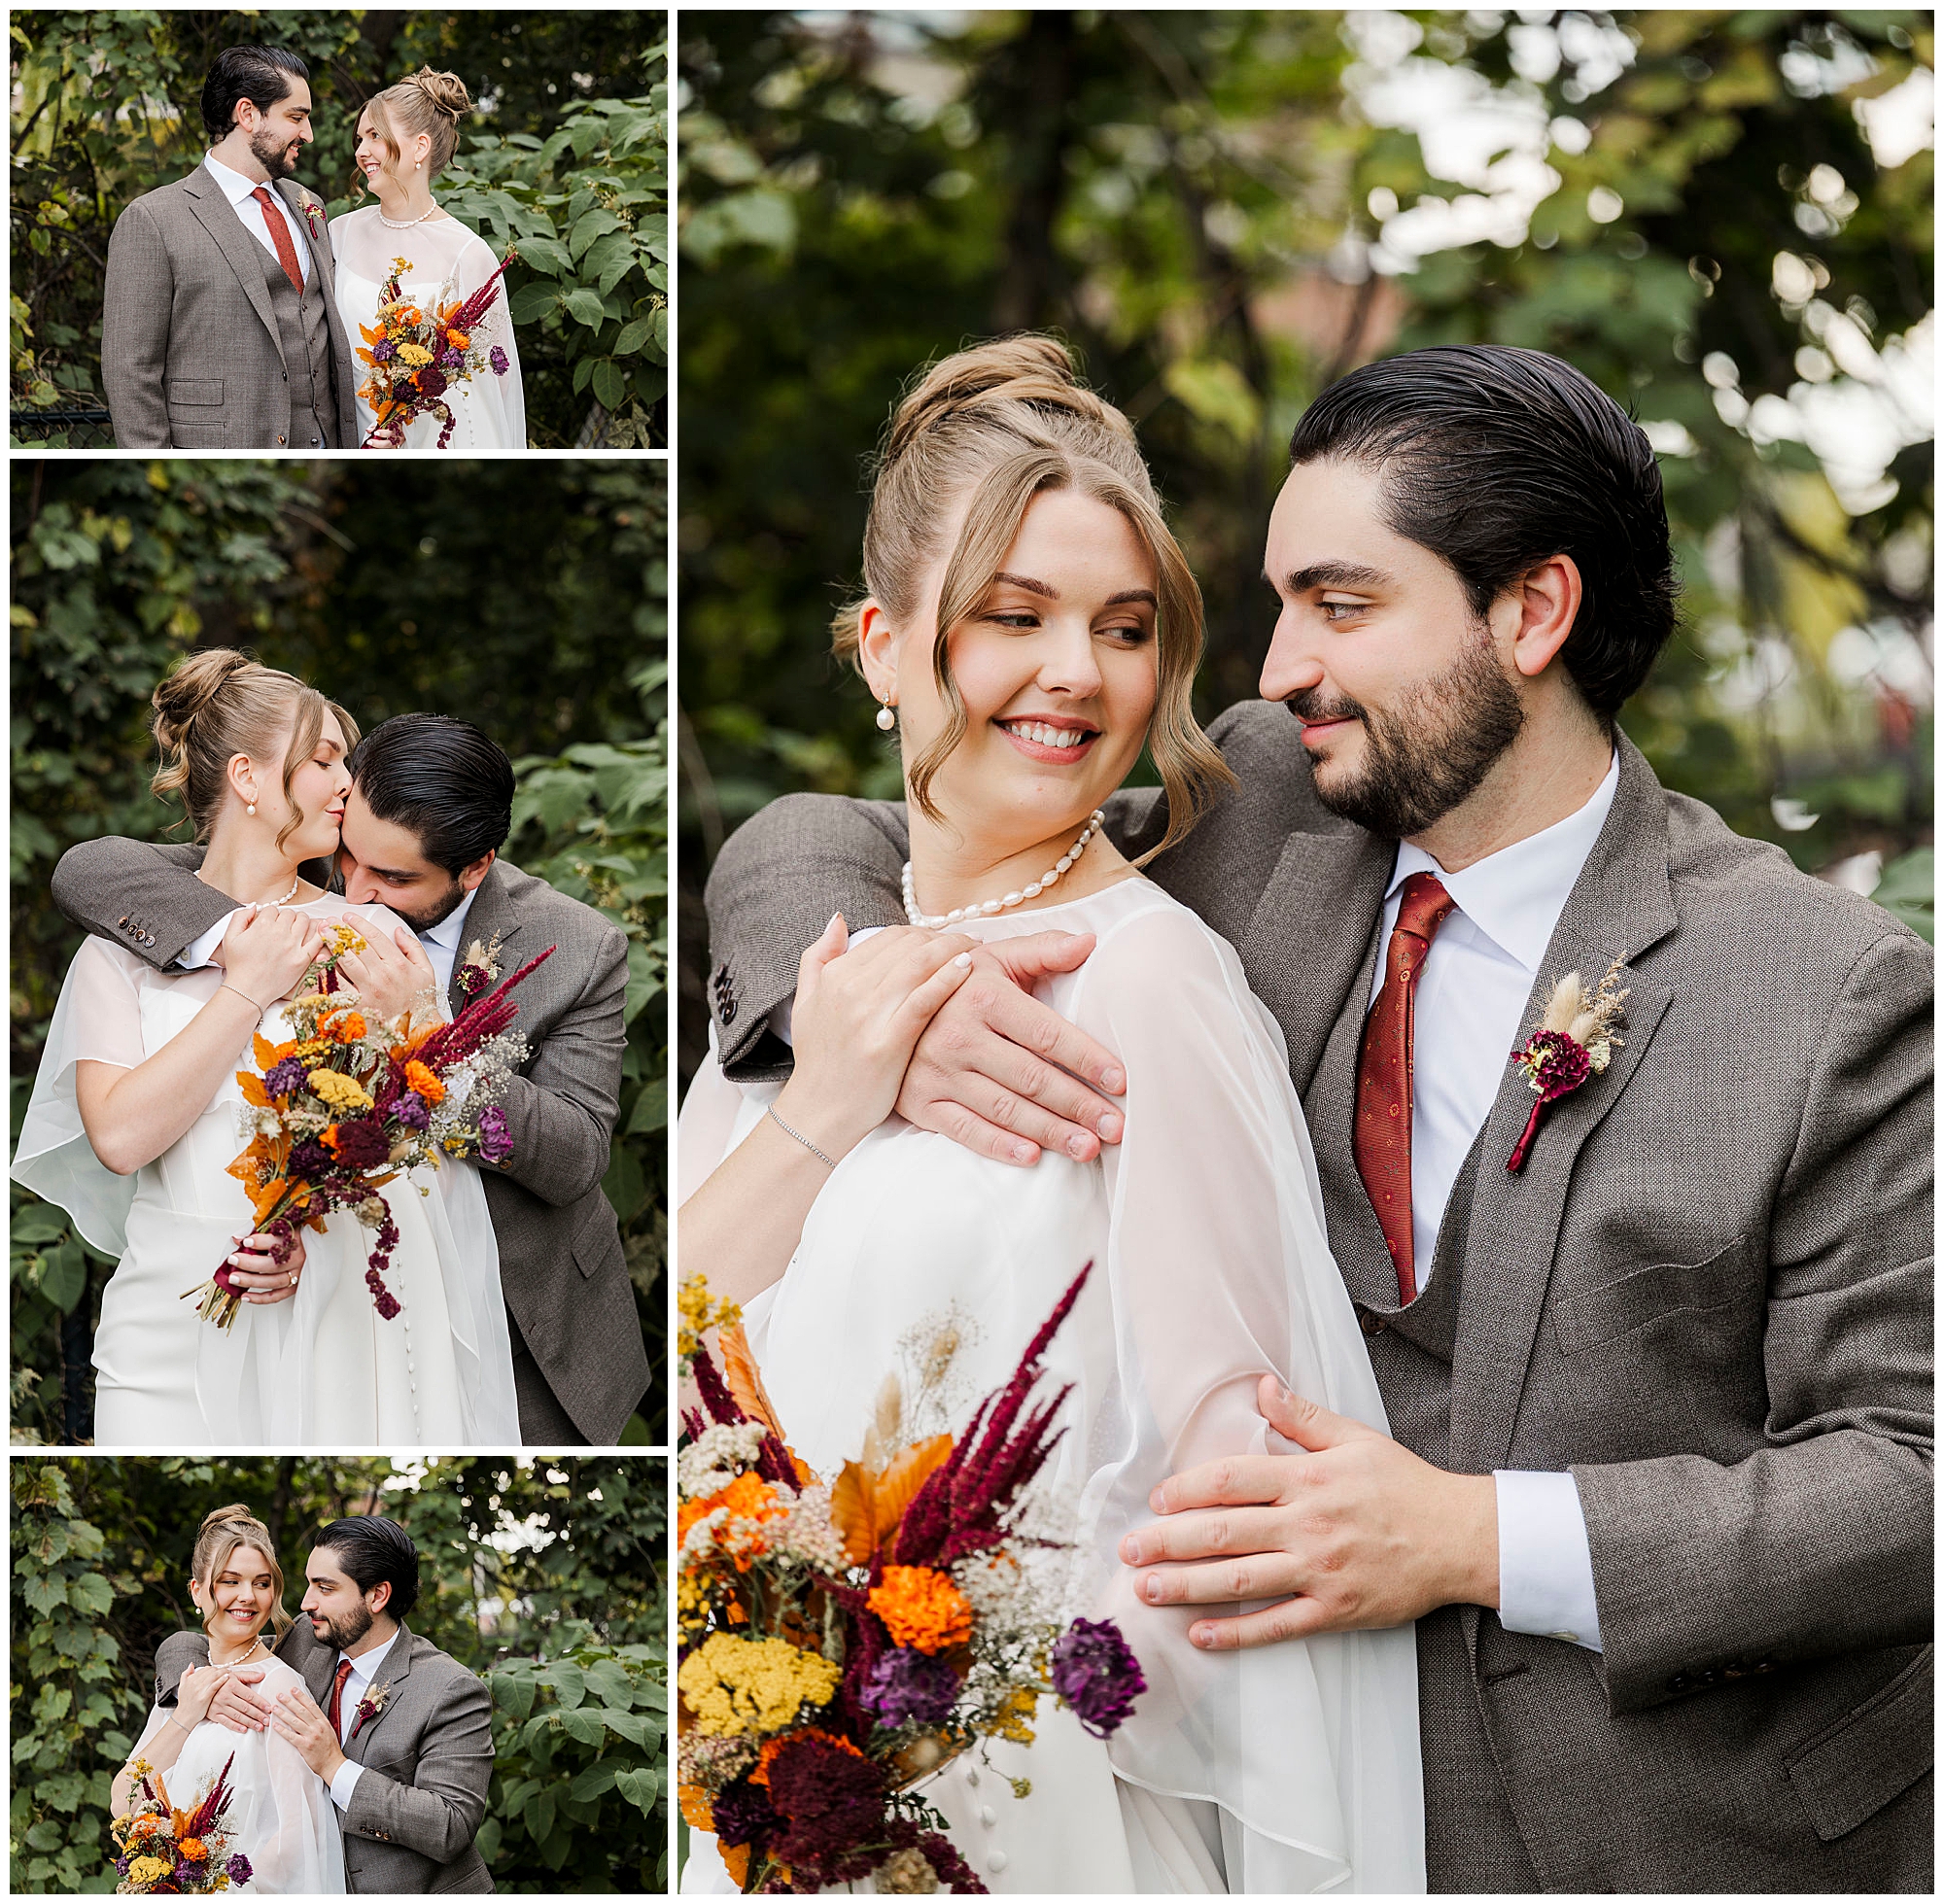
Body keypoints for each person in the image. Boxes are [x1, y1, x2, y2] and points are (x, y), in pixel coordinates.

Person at [701, 342, 1933, 1891]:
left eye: (1341, 605)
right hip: (1256, 1803)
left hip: (1686, 1834)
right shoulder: (1280, 805)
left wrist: (1475, 1538)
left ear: (1532, 613)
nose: (1276, 666)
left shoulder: (1826, 990)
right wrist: (888, 997)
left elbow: (1913, 1474)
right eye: (1278, 600)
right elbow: (868, 818)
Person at [679, 336, 1425, 1893]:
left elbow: (1229, 1478)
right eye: (1014, 616)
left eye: (1125, 626)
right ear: (883, 644)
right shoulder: (825, 981)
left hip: (1018, 1809)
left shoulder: (1148, 982)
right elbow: (688, 1348)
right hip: (757, 1806)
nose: (1078, 671)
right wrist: (827, 1094)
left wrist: (912, 1716)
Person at [50, 704, 649, 1445]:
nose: (358, 891)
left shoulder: (578, 946)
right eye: (347, 856)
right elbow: (90, 870)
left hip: (528, 1323)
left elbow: (575, 1157)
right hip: (242, 1289)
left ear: (475, 867)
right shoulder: (206, 910)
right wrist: (245, 957)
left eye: (392, 875)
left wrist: (432, 1035)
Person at [15, 652, 517, 1446]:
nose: (348, 781)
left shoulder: (371, 939)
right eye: (323, 759)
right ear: (247, 777)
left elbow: (416, 1163)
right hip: (162, 1326)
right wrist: (246, 988)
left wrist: (308, 1238)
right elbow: (119, 1137)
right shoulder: (119, 949)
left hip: (329, 1318)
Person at [155, 1514, 495, 1894]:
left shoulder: (449, 1689)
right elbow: (207, 1639)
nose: (306, 1602)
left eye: (325, 1587)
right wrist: (204, 1688)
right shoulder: (309, 1638)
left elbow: (450, 1827)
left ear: (377, 1596)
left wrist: (335, 1767)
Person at [102, 47, 358, 450]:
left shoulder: (309, 205)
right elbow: (129, 370)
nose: (308, 134)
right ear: (248, 114)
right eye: (296, 117)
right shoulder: (153, 219)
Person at [116, 1506, 344, 1893]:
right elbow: (124, 1803)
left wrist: (211, 1890)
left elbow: (298, 1837)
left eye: (261, 1583)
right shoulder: (188, 1683)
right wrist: (186, 1713)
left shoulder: (280, 1689)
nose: (248, 1597)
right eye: (230, 1581)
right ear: (197, 1591)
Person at [330, 69, 527, 450]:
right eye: (360, 139)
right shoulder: (338, 234)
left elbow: (497, 382)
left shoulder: (468, 255)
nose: (361, 151)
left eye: (375, 136)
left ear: (420, 147)